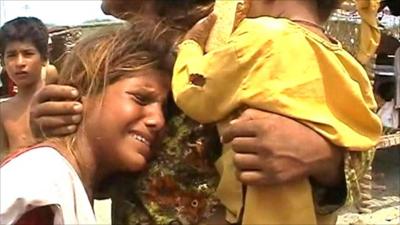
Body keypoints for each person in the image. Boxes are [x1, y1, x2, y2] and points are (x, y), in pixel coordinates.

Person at [29, 0, 375, 224]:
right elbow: (97, 172)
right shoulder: (114, 54)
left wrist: (324, 160)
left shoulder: (255, 29)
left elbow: (358, 137)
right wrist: (58, 126)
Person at [172, 0, 382, 224]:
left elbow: (194, 92)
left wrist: (190, 46)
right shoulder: (349, 68)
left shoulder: (260, 37)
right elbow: (363, 144)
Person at [0, 22, 171, 224]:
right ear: (85, 87)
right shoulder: (41, 192)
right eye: (140, 99)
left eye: (165, 110)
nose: (158, 120)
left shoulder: (72, 184)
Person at [0, 17, 48, 157]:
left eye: (28, 54)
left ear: (44, 58)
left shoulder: (61, 102)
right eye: (11, 55)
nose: (19, 63)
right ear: (3, 62)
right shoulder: (3, 112)